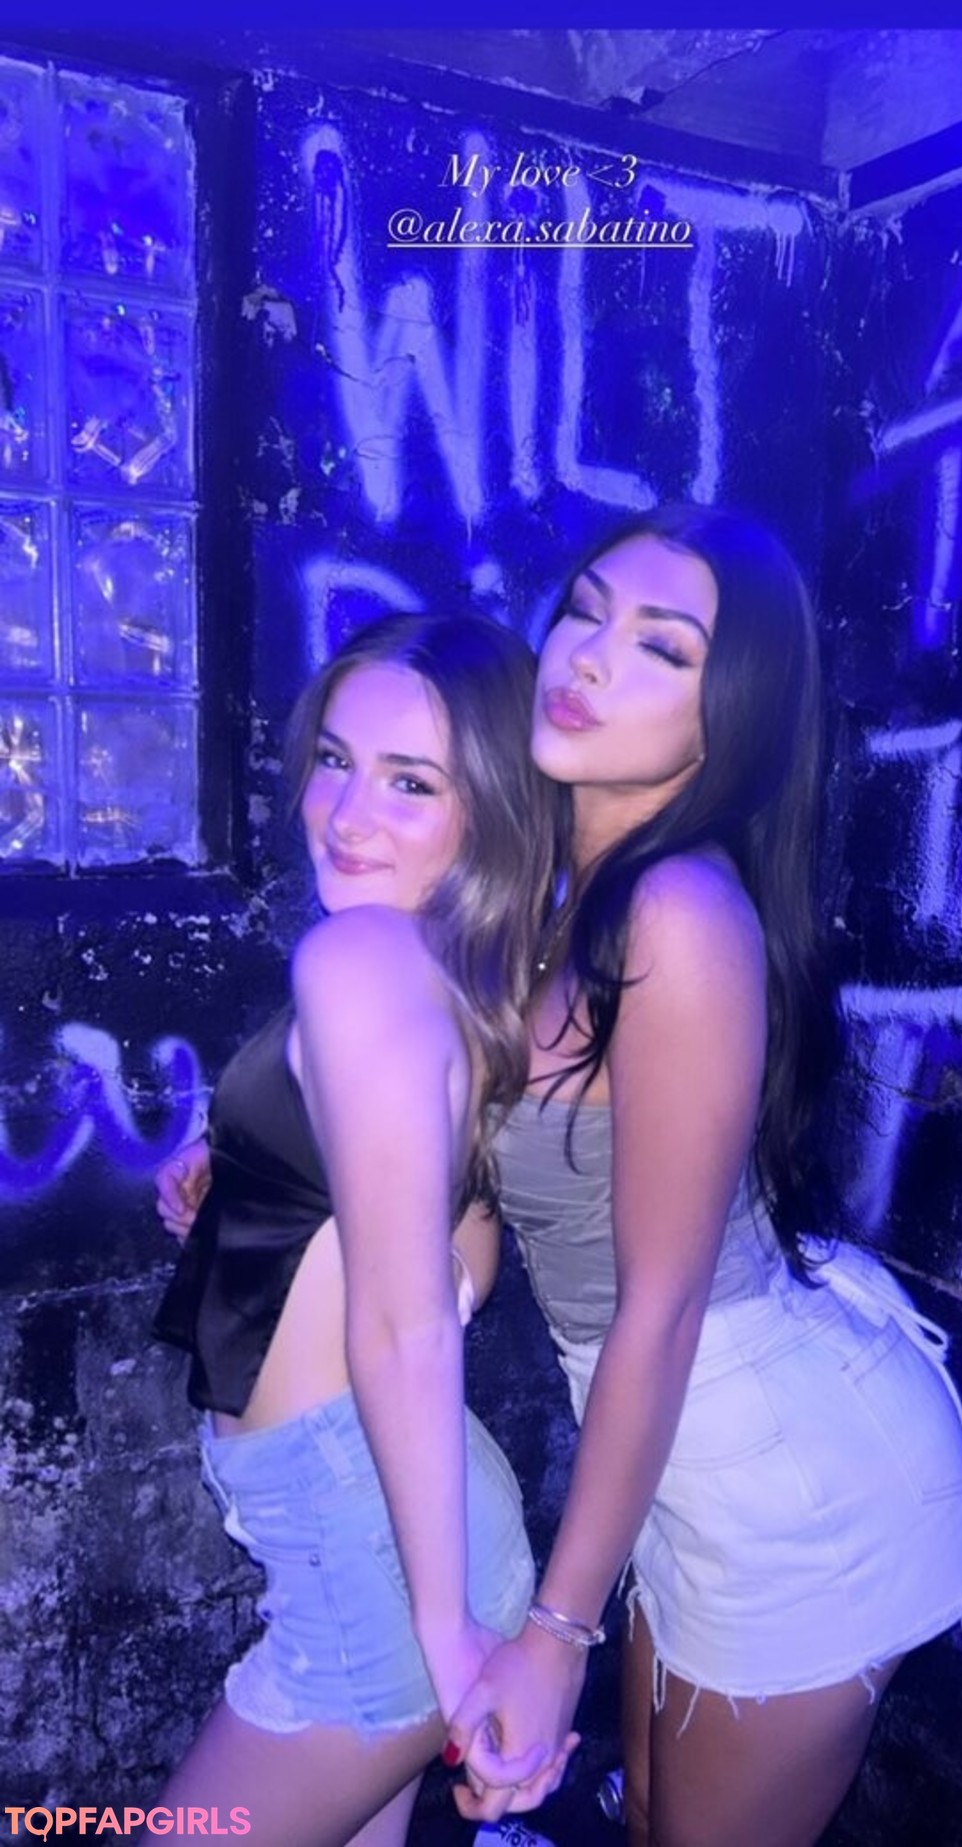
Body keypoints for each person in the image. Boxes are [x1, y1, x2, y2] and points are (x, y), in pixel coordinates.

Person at [447, 504, 962, 1847]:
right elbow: (477, 1211)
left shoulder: (678, 913)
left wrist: (556, 1627)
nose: (587, 654)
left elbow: (664, 1305)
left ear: (726, 719)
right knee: (649, 1821)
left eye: (662, 646)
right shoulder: (547, 903)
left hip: (784, 1473)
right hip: (674, 1464)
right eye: (584, 609)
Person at [147, 609, 562, 1847]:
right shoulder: (454, 976)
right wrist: (263, 1198)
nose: (344, 813)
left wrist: (447, 1640)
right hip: (408, 1530)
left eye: (410, 782)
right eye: (334, 760)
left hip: (374, 1570)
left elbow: (409, 1320)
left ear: (492, 812)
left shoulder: (360, 957)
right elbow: (462, 1260)